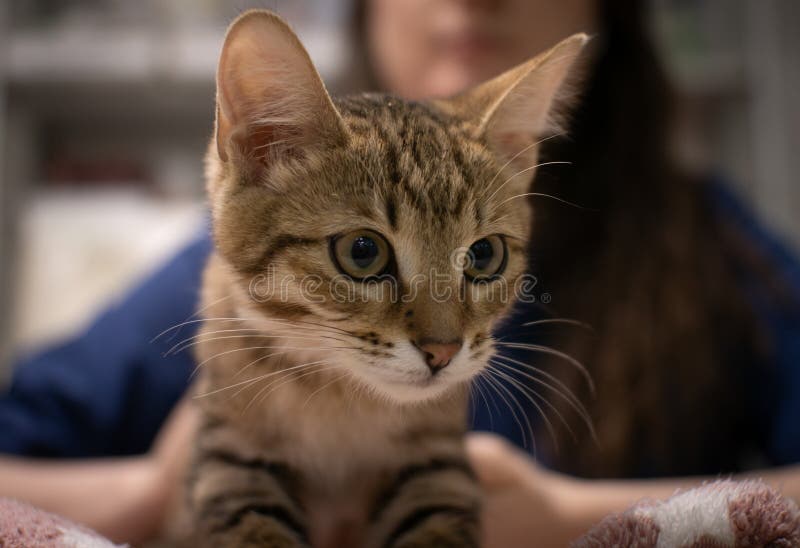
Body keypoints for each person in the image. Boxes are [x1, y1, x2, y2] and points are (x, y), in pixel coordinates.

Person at [1, 1, 799, 546]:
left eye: (484, 260)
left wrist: (565, 518)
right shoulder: (228, 275)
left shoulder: (713, 245)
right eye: (364, 256)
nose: (441, 339)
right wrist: (147, 494)